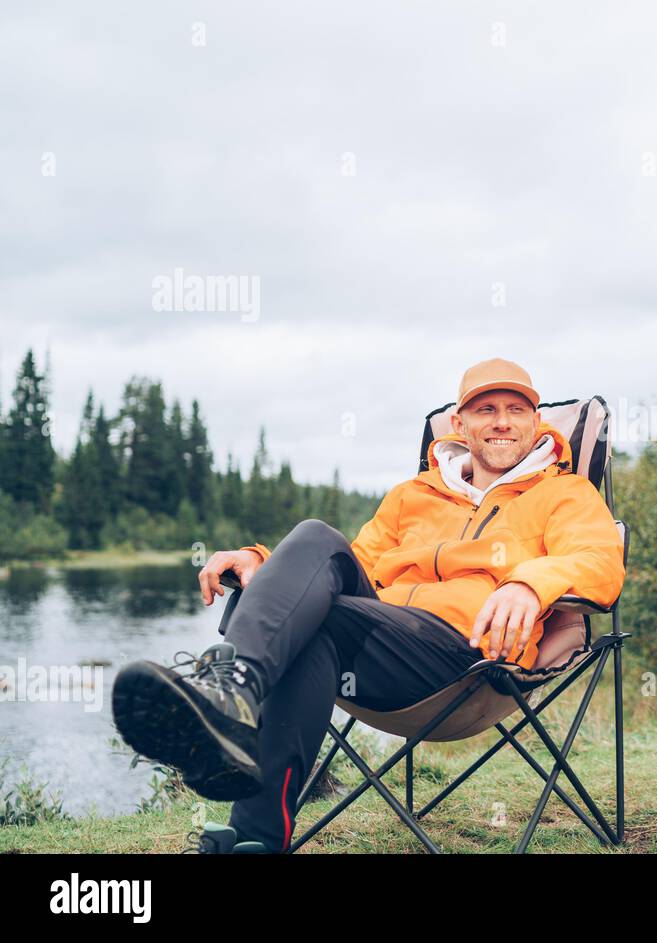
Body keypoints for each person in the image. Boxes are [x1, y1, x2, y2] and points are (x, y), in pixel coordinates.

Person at [112, 358, 625, 853]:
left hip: (470, 656)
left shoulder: (566, 493)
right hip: (383, 644)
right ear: (459, 423)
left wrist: (529, 583)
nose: (502, 422)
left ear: (535, 422)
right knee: (315, 559)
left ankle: (233, 699)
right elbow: (343, 564)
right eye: (485, 409)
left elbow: (599, 560)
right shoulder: (412, 495)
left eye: (516, 410)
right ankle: (255, 833)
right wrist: (260, 562)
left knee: (315, 618)